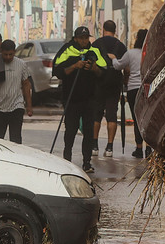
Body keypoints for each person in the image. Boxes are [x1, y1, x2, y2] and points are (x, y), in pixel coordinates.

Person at [53, 26, 107, 173]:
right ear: (76, 38)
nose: (84, 41)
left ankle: (87, 162)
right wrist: (75, 66)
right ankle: (67, 158)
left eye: (86, 38)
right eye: (81, 38)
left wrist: (94, 68)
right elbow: (57, 71)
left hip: (90, 98)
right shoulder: (67, 49)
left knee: (89, 132)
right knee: (70, 130)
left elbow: (105, 72)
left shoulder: (94, 51)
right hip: (72, 98)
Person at [0, 39, 33, 144]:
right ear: (1, 52)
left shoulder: (21, 64)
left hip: (16, 106)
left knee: (15, 140)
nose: (8, 57)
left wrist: (29, 106)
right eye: (5, 54)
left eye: (10, 54)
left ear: (14, 52)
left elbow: (26, 84)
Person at [91, 20, 127, 157]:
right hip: (115, 83)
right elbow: (126, 67)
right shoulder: (121, 46)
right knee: (112, 114)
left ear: (103, 29)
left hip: (98, 83)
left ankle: (94, 145)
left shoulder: (96, 44)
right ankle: (110, 147)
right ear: (115, 30)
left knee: (97, 114)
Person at [114, 28, 148, 158]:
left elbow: (118, 65)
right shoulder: (150, 52)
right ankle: (149, 148)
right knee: (146, 118)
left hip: (133, 89)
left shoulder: (131, 53)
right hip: (147, 88)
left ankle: (139, 149)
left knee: (136, 119)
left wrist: (112, 59)